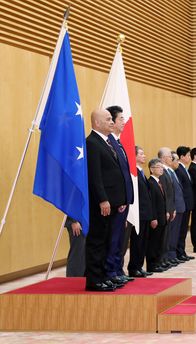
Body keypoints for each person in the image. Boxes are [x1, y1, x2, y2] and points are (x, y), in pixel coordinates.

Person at [85, 109, 127, 291]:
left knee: (106, 240)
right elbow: (95, 175)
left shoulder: (107, 142)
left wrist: (119, 200)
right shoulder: (92, 143)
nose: (112, 122)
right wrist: (103, 199)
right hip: (101, 203)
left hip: (112, 202)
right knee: (97, 241)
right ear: (97, 123)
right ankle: (94, 280)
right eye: (108, 119)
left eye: (112, 119)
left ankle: (103, 275)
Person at [105, 105, 134, 286]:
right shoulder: (110, 143)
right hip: (116, 201)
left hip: (123, 200)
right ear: (112, 122)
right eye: (121, 119)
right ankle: (111, 272)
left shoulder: (119, 142)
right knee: (113, 238)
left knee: (119, 239)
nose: (124, 122)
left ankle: (117, 269)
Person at [127, 146, 153, 278]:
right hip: (138, 213)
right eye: (141, 154)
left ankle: (139, 266)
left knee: (143, 242)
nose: (144, 156)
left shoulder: (141, 172)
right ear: (134, 156)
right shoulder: (133, 173)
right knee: (137, 242)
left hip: (146, 213)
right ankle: (133, 267)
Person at [146, 158, 168, 273]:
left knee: (160, 241)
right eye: (159, 167)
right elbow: (152, 203)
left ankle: (158, 262)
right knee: (153, 242)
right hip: (156, 218)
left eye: (162, 167)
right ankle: (152, 265)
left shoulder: (159, 182)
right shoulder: (150, 183)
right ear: (151, 169)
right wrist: (153, 217)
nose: (161, 169)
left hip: (162, 217)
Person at [175, 146, 195, 261]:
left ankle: (182, 251)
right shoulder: (178, 169)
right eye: (188, 155)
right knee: (181, 230)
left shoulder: (184, 169)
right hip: (183, 204)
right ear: (181, 157)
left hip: (188, 204)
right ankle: (179, 252)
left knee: (183, 230)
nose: (189, 157)